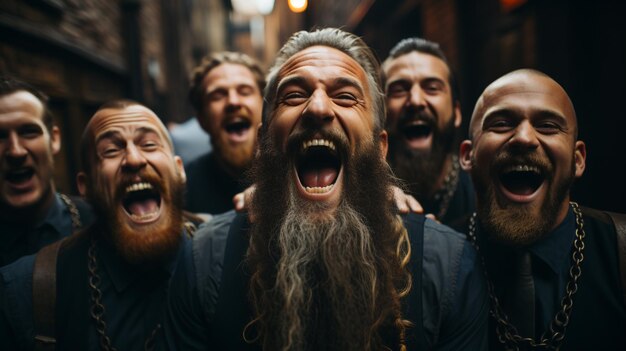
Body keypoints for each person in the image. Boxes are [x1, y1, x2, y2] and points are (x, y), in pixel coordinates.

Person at [163, 28, 488, 351]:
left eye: (345, 96)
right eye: (294, 95)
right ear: (263, 143)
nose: (318, 108)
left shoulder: (449, 268)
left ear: (379, 148)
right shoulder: (203, 263)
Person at [0, 100, 200, 350]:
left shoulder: (224, 252)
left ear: (179, 170)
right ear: (86, 187)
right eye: (111, 151)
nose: (134, 159)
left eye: (149, 144)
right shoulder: (26, 291)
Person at [459, 69, 626, 350]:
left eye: (548, 126)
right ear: (468, 156)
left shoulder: (620, 251)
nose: (524, 138)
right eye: (500, 124)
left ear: (578, 159)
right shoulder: (435, 259)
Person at [0, 76, 92, 267]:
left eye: (28, 132)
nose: (16, 151)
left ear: (54, 139)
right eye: (0, 136)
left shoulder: (100, 224)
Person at [381, 38, 475, 224]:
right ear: (378, 113)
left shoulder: (483, 198)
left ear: (456, 113)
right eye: (399, 90)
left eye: (432, 88)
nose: (416, 101)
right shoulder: (361, 199)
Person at [185, 51, 265, 214]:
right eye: (218, 95)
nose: (233, 102)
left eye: (244, 91)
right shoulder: (183, 189)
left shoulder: (293, 177)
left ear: (265, 107)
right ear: (202, 119)